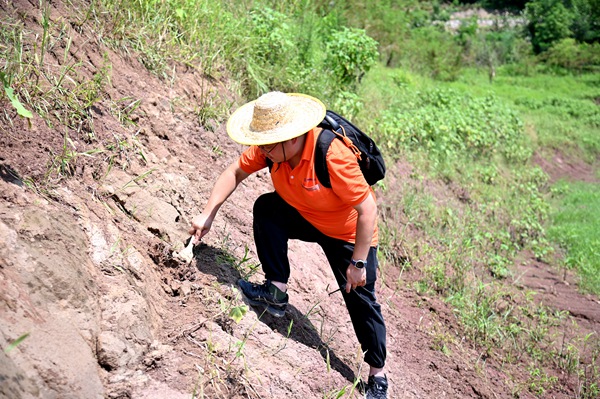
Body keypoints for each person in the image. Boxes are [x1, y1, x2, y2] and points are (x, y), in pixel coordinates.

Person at [189, 91, 388, 399]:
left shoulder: (331, 154)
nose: (263, 150)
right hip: (308, 215)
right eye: (263, 143)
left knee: (360, 298)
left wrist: (358, 262)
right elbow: (234, 172)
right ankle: (275, 290)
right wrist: (208, 213)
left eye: (270, 144)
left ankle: (378, 377)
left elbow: (367, 210)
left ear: (293, 138)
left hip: (347, 232)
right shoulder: (271, 149)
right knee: (268, 209)